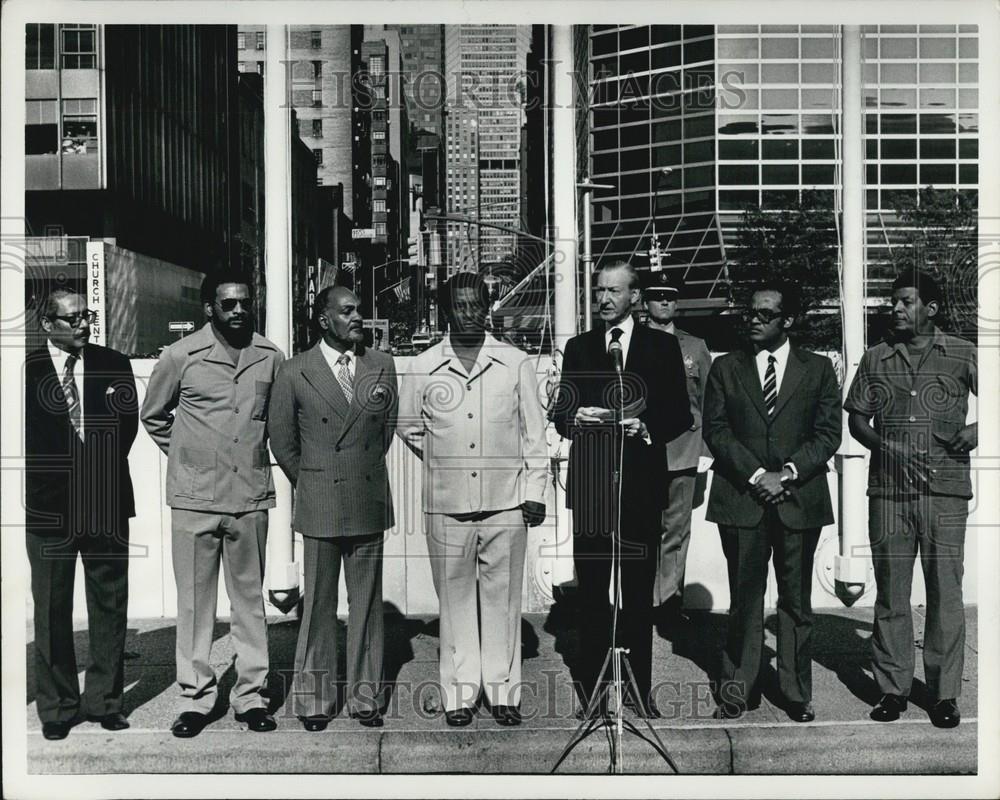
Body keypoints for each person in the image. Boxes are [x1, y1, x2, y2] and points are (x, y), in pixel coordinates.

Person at [397, 272, 547, 727]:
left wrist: (533, 492)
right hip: (446, 506)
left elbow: (534, 435)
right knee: (455, 602)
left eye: (476, 304)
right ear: (445, 311)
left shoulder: (515, 363)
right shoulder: (423, 366)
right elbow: (409, 426)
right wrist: (449, 458)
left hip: (506, 505)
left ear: (487, 308)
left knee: (503, 602)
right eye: (459, 306)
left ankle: (503, 692)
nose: (468, 313)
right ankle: (460, 694)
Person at [141, 271, 284, 738]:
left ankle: (251, 697)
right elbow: (153, 415)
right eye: (228, 304)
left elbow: (275, 421)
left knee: (250, 603)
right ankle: (195, 699)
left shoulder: (269, 356)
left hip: (249, 497)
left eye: (245, 302)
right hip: (195, 500)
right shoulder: (180, 356)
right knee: (194, 605)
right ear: (209, 309)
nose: (239, 310)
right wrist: (192, 459)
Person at [551, 261, 692, 719]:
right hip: (593, 484)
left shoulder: (661, 347)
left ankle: (638, 688)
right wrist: (575, 418)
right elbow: (561, 413)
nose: (604, 299)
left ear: (635, 296)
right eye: (599, 291)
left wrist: (644, 426)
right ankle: (593, 690)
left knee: (636, 592)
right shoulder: (579, 347)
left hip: (640, 485)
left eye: (614, 291)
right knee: (592, 594)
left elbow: (680, 413)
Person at [702, 281, 841, 723]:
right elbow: (716, 429)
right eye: (751, 312)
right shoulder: (726, 367)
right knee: (745, 599)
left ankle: (796, 692)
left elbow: (828, 434)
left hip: (799, 499)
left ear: (788, 320)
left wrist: (788, 473)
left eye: (766, 314)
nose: (754, 320)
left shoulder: (818, 368)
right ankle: (738, 689)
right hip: (741, 498)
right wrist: (758, 474)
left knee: (795, 602)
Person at [845, 270, 976, 729]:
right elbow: (857, 421)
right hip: (890, 493)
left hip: (946, 493)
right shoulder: (876, 358)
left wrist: (978, 431)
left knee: (945, 594)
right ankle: (892, 689)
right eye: (894, 301)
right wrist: (888, 447)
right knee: (891, 593)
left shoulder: (963, 353)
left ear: (931, 308)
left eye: (906, 302)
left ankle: (944, 695)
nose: (896, 309)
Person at [268, 286, 398, 730]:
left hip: (367, 496)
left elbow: (384, 432)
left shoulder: (381, 365)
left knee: (367, 604)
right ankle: (315, 701)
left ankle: (366, 698)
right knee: (319, 606)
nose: (357, 316)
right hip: (320, 500)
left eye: (359, 309)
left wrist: (357, 469)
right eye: (347, 311)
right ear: (324, 320)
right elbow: (283, 441)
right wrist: (314, 480)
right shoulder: (294, 370)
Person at [25, 288, 138, 740]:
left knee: (110, 603)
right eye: (71, 319)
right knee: (52, 609)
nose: (83, 324)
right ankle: (57, 708)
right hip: (49, 509)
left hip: (105, 502)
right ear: (47, 324)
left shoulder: (114, 364)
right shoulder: (25, 370)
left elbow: (126, 429)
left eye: (86, 316)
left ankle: (105, 701)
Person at [642, 272, 713, 625]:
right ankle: (640, 600)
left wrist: (707, 450)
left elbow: (711, 400)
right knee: (641, 528)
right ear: (645, 302)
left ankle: (668, 601)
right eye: (657, 295)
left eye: (670, 296)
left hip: (685, 449)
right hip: (641, 449)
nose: (665, 301)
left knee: (676, 529)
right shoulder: (631, 343)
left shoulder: (695, 346)